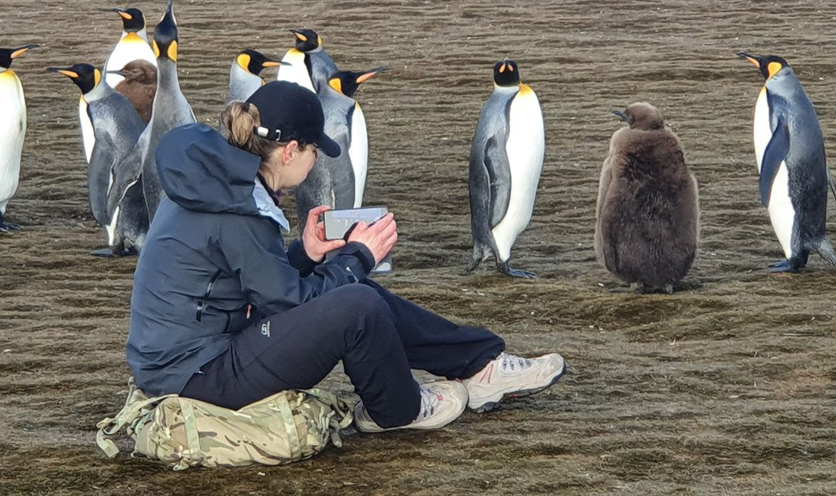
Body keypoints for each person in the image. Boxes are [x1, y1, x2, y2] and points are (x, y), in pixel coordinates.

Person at [126, 80, 566, 433]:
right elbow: (288, 302)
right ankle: (397, 410)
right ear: (290, 151)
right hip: (196, 376)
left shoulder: (216, 182)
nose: (317, 160)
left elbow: (241, 280)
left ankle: (480, 365)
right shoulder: (238, 207)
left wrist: (306, 253)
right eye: (315, 150)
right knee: (356, 303)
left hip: (196, 355)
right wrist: (357, 256)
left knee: (354, 291)